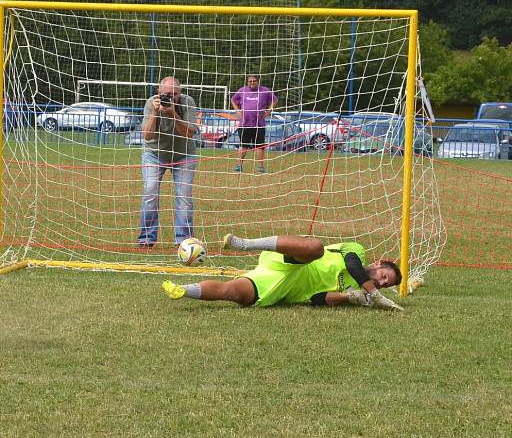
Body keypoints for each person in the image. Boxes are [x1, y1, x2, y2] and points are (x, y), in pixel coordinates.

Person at [162, 233, 404, 311]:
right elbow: (351, 265)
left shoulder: (358, 290)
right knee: (315, 248)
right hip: (292, 261)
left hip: (286, 287)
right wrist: (372, 292)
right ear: (377, 263)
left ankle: (182, 290)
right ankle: (244, 244)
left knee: (235, 293)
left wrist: (349, 297)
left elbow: (318, 299)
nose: (382, 283)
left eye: (385, 285)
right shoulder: (357, 252)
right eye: (384, 276)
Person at [137, 76, 199, 248]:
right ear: (159, 93)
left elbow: (189, 133)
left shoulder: (187, 102)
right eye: (166, 94)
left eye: (174, 94)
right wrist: (156, 112)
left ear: (180, 93)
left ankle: (183, 241)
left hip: (183, 154)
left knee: (184, 197)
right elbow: (147, 135)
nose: (170, 97)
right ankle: (146, 239)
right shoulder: (151, 103)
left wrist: (173, 113)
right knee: (150, 192)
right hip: (154, 153)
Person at [231, 74, 277, 173]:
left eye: (254, 81)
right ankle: (239, 165)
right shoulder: (242, 90)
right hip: (245, 124)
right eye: (250, 81)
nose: (252, 82)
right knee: (243, 145)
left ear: (258, 81)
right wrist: (237, 110)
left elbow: (274, 100)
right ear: (247, 82)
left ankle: (261, 166)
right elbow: (233, 100)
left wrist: (268, 111)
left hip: (259, 124)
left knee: (259, 146)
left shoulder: (265, 91)